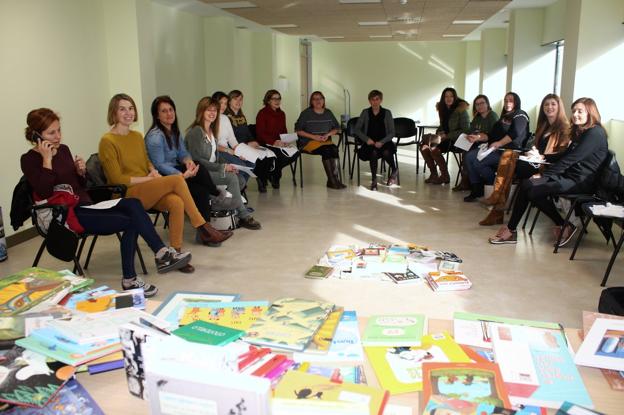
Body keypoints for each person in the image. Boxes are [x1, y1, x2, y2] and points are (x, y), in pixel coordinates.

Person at [21, 108, 192, 297]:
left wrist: (81, 172)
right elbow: (45, 190)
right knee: (133, 219)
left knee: (133, 204)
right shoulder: (29, 159)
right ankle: (133, 277)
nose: (58, 136)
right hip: (62, 215)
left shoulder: (64, 150)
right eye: (51, 133)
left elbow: (80, 186)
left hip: (84, 205)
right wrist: (47, 160)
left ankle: (160, 253)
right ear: (36, 135)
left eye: (59, 130)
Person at [99, 93, 232, 269]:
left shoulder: (136, 136)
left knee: (176, 202)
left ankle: (175, 254)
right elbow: (117, 179)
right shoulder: (107, 141)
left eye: (130, 108)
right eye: (122, 109)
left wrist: (152, 170)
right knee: (177, 180)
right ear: (113, 113)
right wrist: (149, 177)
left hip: (147, 186)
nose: (128, 112)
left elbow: (146, 161)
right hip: (126, 193)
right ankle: (203, 227)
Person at [489, 97, 608, 246]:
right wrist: (543, 156)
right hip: (569, 177)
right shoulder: (582, 131)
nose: (575, 114)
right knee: (528, 186)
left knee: (530, 185)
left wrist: (544, 175)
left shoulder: (595, 133)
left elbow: (570, 160)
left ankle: (513, 230)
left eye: (580, 111)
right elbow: (564, 155)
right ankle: (559, 225)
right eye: (574, 111)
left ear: (590, 112)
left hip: (581, 182)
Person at [479, 94, 570, 226]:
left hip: (548, 167)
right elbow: (537, 148)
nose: (549, 107)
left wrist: (541, 156)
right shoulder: (544, 126)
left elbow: (562, 154)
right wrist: (532, 152)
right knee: (508, 156)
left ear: (559, 107)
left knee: (509, 160)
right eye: (546, 104)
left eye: (553, 104)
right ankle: (497, 204)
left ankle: (497, 204)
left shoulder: (564, 128)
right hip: (535, 162)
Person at [145, 95, 233, 223]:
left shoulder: (174, 131)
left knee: (201, 191)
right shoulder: (155, 136)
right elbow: (160, 165)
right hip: (163, 177)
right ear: (157, 116)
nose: (169, 113)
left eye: (171, 109)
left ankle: (205, 230)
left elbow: (182, 153)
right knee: (200, 168)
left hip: (176, 172)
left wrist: (188, 162)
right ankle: (215, 193)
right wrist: (181, 174)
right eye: (164, 111)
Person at [185, 97, 262, 230]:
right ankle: (243, 215)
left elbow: (216, 156)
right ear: (201, 111)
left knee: (240, 179)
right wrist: (222, 167)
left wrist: (229, 166)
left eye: (214, 110)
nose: (212, 113)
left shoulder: (211, 131)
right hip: (200, 172)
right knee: (232, 179)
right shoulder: (196, 132)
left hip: (211, 169)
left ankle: (228, 209)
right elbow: (198, 160)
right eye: (208, 110)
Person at [464, 92, 529, 202]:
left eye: (511, 100)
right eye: (505, 100)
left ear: (516, 102)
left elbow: (515, 133)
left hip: (510, 152)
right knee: (469, 156)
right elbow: (490, 135)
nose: (507, 102)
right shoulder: (503, 117)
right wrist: (478, 137)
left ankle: (492, 185)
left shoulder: (521, 114)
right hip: (496, 150)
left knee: (478, 163)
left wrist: (499, 143)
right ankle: (476, 188)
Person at [213, 91, 274, 193]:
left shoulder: (225, 118)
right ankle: (235, 192)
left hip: (230, 149)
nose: (223, 106)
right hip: (219, 151)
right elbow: (213, 144)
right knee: (242, 165)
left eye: (225, 103)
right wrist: (231, 151)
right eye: (221, 103)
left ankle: (238, 190)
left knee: (251, 162)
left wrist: (240, 151)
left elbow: (232, 139)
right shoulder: (212, 118)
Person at [295, 91, 346, 190]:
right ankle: (332, 180)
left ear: (323, 100)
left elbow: (337, 128)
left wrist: (328, 134)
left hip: (325, 141)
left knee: (334, 149)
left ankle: (334, 180)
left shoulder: (328, 112)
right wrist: (314, 137)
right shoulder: (306, 113)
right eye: (315, 99)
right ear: (311, 101)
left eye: (320, 98)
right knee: (327, 150)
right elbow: (298, 130)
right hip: (308, 142)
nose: (318, 101)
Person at [420, 87, 470, 185]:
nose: (449, 98)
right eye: (446, 96)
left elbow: (466, 130)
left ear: (455, 97)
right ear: (443, 98)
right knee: (423, 147)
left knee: (434, 149)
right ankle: (434, 174)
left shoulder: (461, 110)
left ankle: (444, 176)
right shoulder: (443, 109)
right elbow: (443, 125)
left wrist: (447, 135)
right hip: (445, 139)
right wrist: (439, 133)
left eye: (451, 96)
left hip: (456, 140)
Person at [452, 94, 499, 191]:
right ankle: (469, 182)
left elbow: (494, 135)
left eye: (482, 103)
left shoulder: (492, 116)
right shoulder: (477, 117)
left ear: (487, 104)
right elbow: (471, 130)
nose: (479, 106)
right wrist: (469, 136)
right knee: (464, 151)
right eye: (477, 104)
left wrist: (478, 136)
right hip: (477, 143)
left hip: (490, 146)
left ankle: (473, 184)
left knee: (468, 155)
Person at [353, 90, 397, 190]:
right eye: (373, 99)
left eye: (377, 99)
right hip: (370, 142)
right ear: (369, 101)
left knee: (386, 152)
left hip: (385, 142)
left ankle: (394, 170)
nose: (375, 101)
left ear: (381, 100)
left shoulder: (387, 113)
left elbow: (392, 132)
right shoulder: (365, 112)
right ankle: (374, 180)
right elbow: (357, 129)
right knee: (373, 152)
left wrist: (382, 141)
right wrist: (366, 139)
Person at [255, 89, 299, 189]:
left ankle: (272, 172)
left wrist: (285, 141)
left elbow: (283, 130)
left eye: (279, 98)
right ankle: (273, 176)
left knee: (295, 152)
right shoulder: (262, 113)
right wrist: (274, 142)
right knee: (278, 154)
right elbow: (260, 133)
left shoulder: (282, 114)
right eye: (274, 98)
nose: (277, 101)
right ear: (268, 100)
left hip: (279, 143)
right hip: (265, 142)